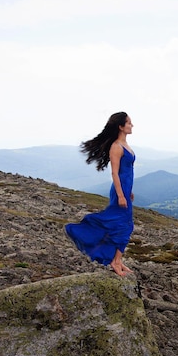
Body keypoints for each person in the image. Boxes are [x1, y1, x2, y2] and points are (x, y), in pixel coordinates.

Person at [65, 111, 136, 276]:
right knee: (124, 226)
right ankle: (115, 261)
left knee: (123, 225)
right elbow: (115, 173)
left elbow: (127, 172)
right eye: (129, 123)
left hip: (125, 189)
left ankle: (117, 260)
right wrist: (120, 195)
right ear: (120, 126)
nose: (132, 125)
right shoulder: (116, 147)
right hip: (119, 190)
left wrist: (128, 191)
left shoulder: (125, 145)